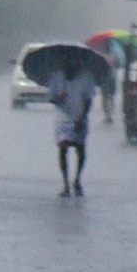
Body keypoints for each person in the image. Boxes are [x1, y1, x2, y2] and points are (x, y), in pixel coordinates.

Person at [48, 59, 98, 197]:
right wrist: (59, 97)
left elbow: (88, 100)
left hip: (80, 114)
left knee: (79, 148)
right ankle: (65, 184)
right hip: (63, 116)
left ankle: (77, 179)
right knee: (63, 146)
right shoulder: (57, 76)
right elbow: (51, 98)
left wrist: (81, 119)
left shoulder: (86, 77)